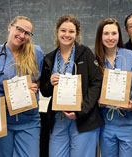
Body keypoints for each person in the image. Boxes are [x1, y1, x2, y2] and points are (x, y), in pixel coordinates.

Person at [39, 14, 104, 157]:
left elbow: (96, 83)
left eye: (71, 31)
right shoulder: (49, 58)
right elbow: (44, 91)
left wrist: (81, 111)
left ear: (77, 34)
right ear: (57, 31)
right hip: (58, 119)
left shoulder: (85, 53)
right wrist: (50, 83)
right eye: (63, 30)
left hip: (83, 119)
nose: (66, 35)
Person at [0, 16, 44, 156]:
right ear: (10, 27)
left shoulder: (36, 53)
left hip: (29, 120)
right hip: (0, 120)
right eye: (19, 29)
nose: (22, 35)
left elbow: (42, 79)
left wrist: (36, 85)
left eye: (27, 33)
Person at [95, 17, 132, 157]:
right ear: (100, 36)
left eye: (114, 33)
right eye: (106, 34)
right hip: (106, 124)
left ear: (119, 35)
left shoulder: (131, 56)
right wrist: (98, 101)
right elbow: (91, 89)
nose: (110, 38)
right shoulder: (95, 60)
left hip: (130, 123)